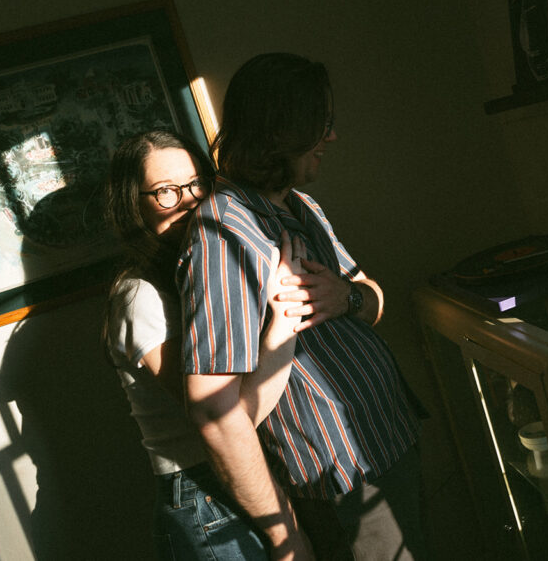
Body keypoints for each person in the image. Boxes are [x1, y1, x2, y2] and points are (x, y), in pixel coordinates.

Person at [179, 53, 426, 560]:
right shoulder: (222, 231)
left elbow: (373, 298)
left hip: (389, 440)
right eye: (322, 125)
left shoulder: (302, 205)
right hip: (342, 478)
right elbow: (215, 412)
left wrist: (348, 296)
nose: (331, 138)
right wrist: (283, 535)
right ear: (278, 132)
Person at [102, 129, 306, 560]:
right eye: (165, 192)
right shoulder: (140, 297)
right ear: (131, 206)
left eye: (197, 184)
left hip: (236, 481)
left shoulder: (199, 272)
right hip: (203, 495)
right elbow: (229, 416)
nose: (190, 200)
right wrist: (286, 320)